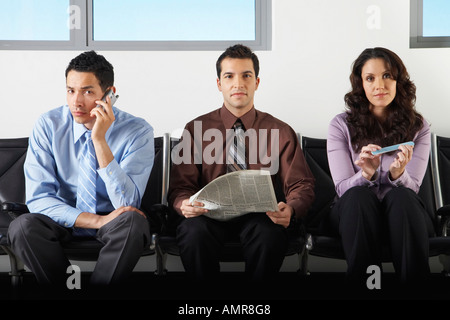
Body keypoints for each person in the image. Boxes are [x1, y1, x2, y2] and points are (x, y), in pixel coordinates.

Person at [168, 44, 315, 281]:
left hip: (260, 216)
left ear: (256, 82)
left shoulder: (280, 130)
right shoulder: (196, 129)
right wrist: (183, 204)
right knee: (192, 232)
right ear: (219, 84)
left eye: (246, 75)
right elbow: (180, 187)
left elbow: (301, 184)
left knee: (269, 233)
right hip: (208, 215)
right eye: (229, 76)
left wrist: (292, 208)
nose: (238, 84)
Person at [7, 51, 154, 287]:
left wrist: (99, 140)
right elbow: (39, 198)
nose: (76, 101)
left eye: (87, 91)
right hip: (63, 218)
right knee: (22, 227)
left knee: (133, 223)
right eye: (70, 90)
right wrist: (96, 221)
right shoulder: (48, 125)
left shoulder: (138, 131)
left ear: (109, 94)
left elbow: (127, 203)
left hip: (114, 219)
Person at [325, 47, 434, 286]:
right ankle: (367, 287)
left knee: (403, 197)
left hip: (401, 212)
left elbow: (413, 187)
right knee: (359, 196)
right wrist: (367, 174)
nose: (379, 85)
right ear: (360, 85)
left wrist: (397, 174)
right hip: (355, 213)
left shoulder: (418, 126)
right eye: (370, 78)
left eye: (387, 76)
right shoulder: (341, 125)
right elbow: (343, 188)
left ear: (398, 81)